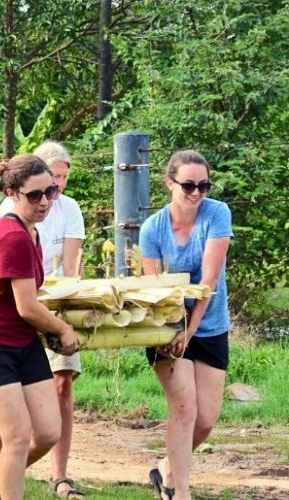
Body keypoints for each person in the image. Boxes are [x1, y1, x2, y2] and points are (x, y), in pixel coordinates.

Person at [0, 154, 80, 500]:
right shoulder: (12, 236)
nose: (44, 202)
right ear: (12, 193)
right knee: (18, 436)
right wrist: (63, 329)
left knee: (49, 431)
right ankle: (7, 485)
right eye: (34, 195)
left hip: (21, 342)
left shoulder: (31, 232)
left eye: (50, 192)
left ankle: (1, 480)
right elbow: (27, 306)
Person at [0, 142, 87, 499]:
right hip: (16, 315)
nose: (52, 193)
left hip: (53, 305)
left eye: (59, 182)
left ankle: (58, 474)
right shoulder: (10, 220)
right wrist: (55, 323)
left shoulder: (68, 209)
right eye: (46, 186)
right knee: (15, 411)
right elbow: (20, 296)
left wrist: (63, 318)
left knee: (61, 388)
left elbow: (71, 267)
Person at [139, 150, 232, 500]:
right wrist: (173, 333)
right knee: (184, 408)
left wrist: (189, 332)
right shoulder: (153, 229)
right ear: (170, 183)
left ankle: (166, 468)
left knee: (206, 420)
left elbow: (208, 280)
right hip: (167, 327)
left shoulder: (217, 213)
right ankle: (181, 492)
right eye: (188, 185)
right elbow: (154, 290)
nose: (196, 193)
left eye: (203, 186)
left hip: (208, 325)